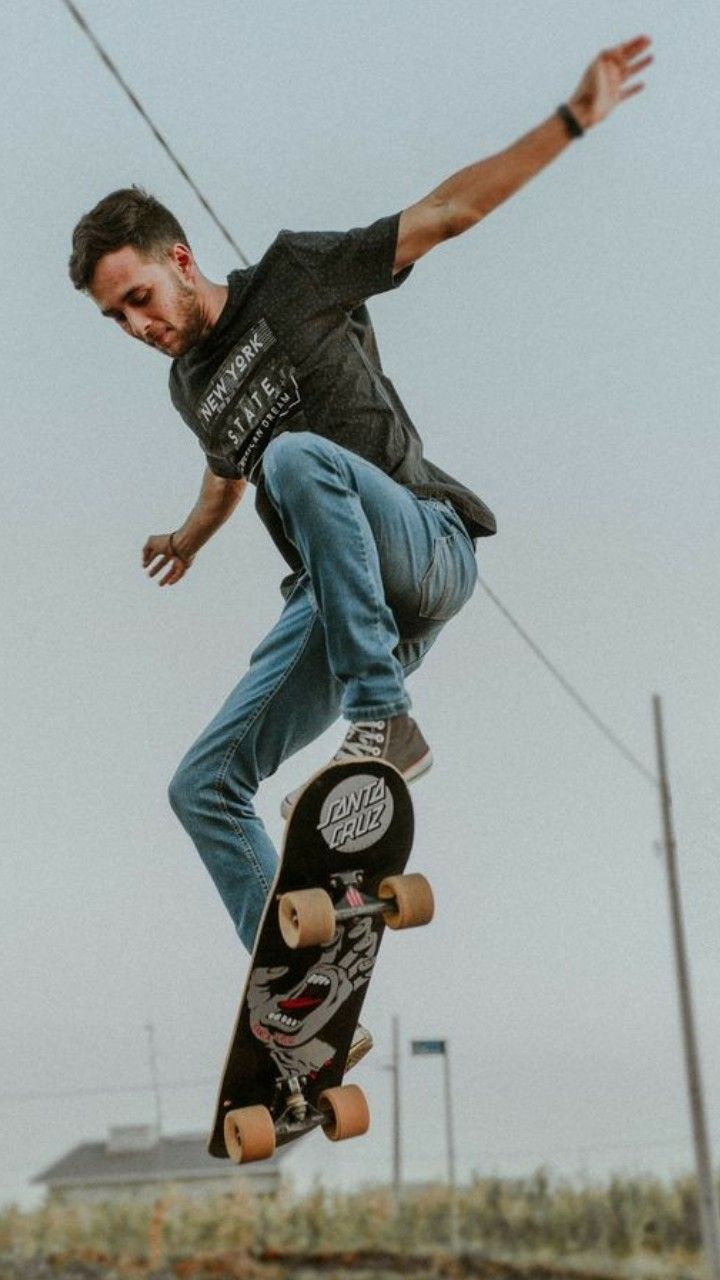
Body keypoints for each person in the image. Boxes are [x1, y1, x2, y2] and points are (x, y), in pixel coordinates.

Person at [69, 35, 651, 1068]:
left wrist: (571, 120)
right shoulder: (190, 386)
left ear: (181, 260)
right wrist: (191, 537)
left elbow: (444, 213)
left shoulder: (295, 274)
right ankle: (302, 999)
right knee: (200, 783)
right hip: (336, 611)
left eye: (140, 298)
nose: (136, 326)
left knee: (298, 457)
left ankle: (386, 721)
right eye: (117, 316)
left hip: (424, 545)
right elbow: (226, 466)